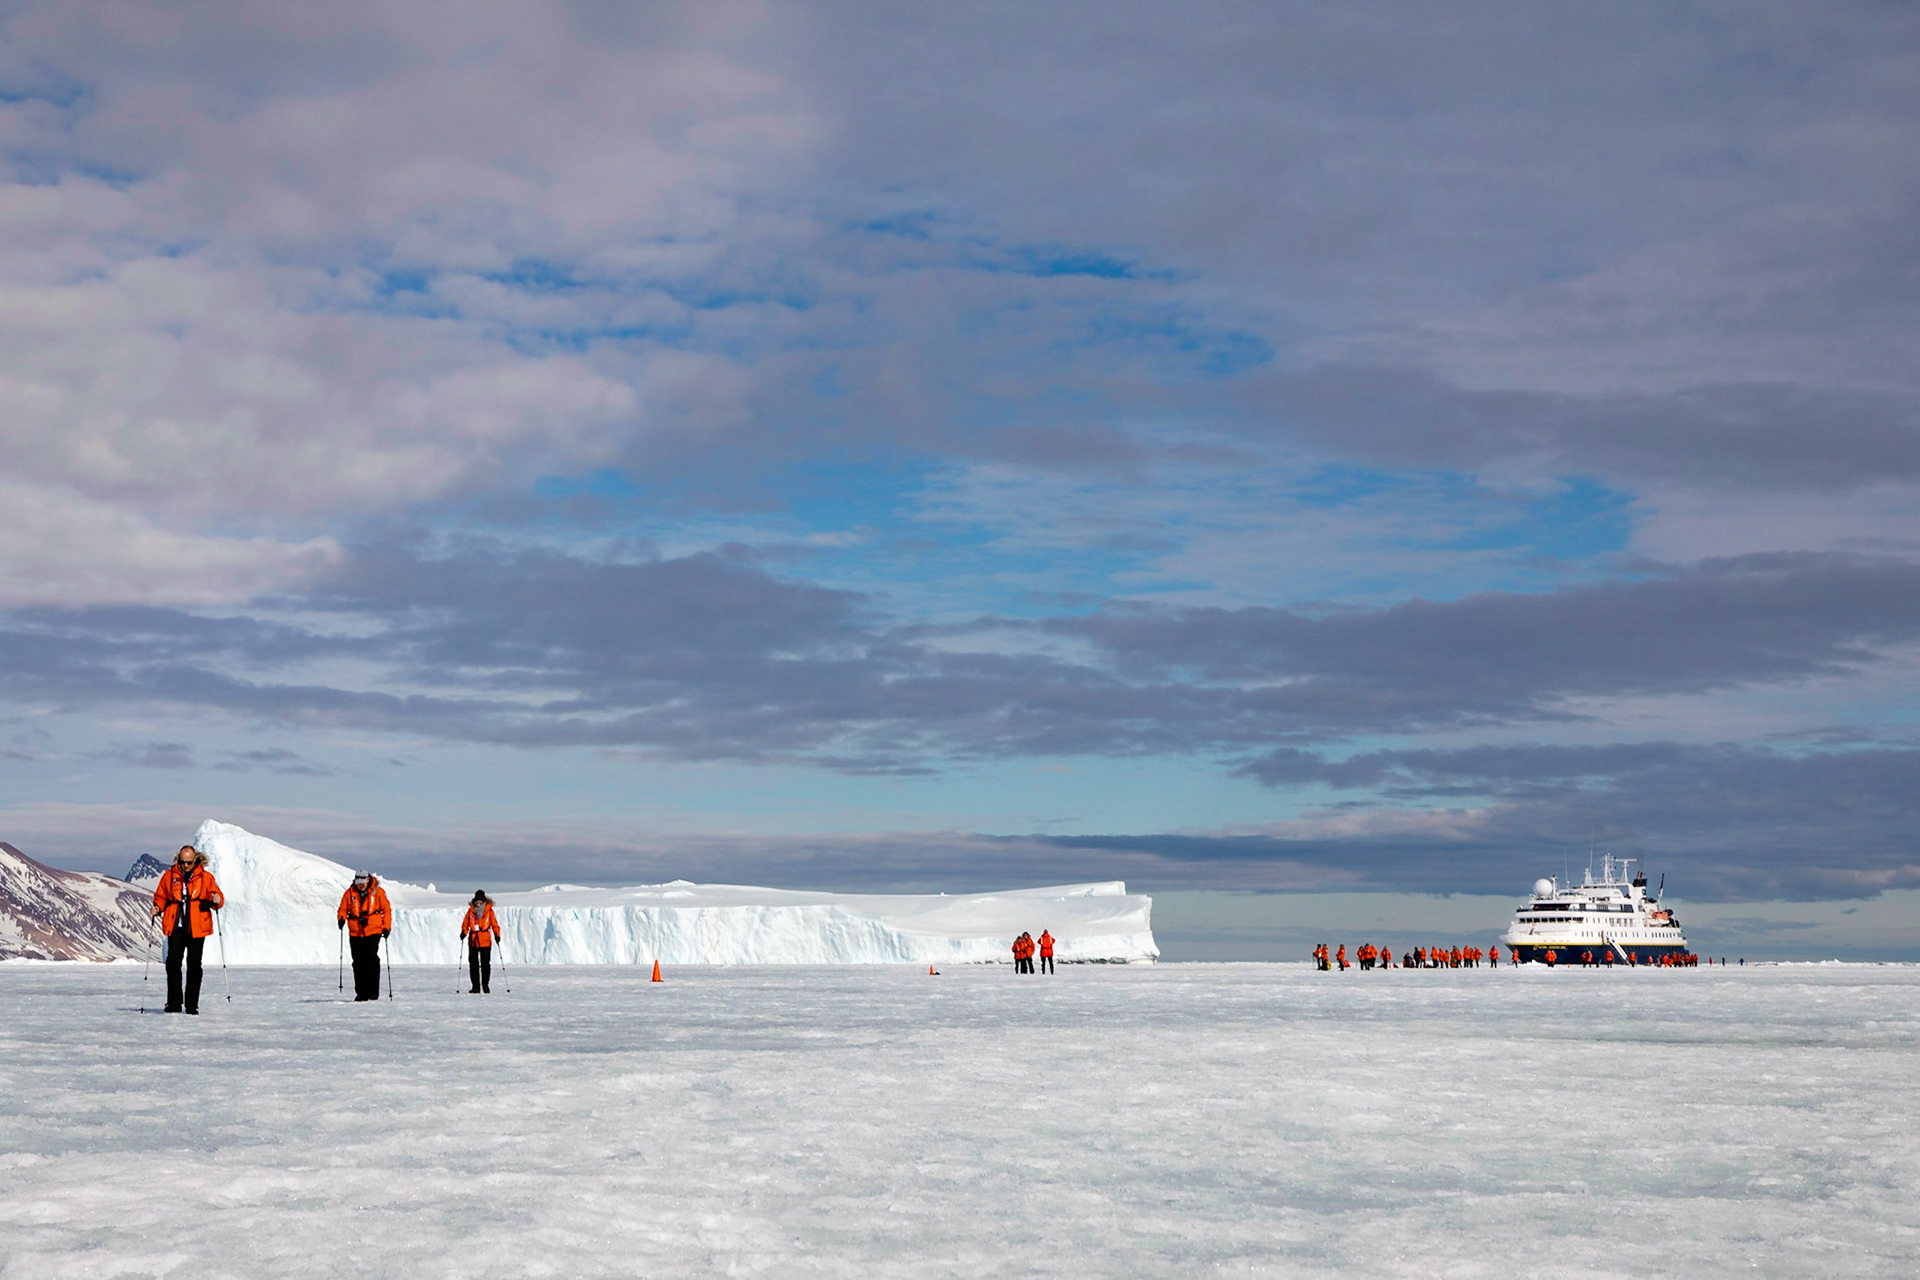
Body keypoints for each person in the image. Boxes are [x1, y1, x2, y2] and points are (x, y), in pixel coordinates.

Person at [151, 845, 224, 1014]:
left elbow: (217, 899)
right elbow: (161, 896)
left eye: (189, 863)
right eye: (183, 862)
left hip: (197, 927)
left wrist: (216, 899)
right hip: (176, 925)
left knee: (194, 965)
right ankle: (174, 1003)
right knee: (173, 963)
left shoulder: (206, 878)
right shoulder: (169, 877)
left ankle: (192, 1005)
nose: (185, 866)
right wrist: (157, 907)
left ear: (195, 860)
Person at [337, 870, 393, 1001]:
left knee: (371, 959)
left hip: (373, 930)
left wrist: (386, 927)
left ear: (368, 880)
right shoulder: (349, 893)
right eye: (358, 883)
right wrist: (341, 918)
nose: (360, 885)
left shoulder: (378, 892)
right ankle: (361, 993)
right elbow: (343, 908)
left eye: (362, 883)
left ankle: (373, 992)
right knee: (358, 962)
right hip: (355, 932)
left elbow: (386, 910)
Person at [461, 891, 500, 993]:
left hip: (485, 941)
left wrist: (497, 935)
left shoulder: (489, 912)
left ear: (484, 902)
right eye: (477, 902)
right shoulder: (470, 912)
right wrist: (463, 933)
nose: (478, 904)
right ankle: (475, 987)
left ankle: (485, 984)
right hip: (473, 941)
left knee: (485, 964)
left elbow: (494, 924)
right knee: (473, 964)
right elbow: (465, 924)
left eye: (480, 902)